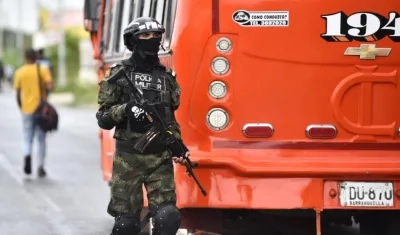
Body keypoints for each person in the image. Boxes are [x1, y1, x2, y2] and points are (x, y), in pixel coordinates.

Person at [96, 17, 189, 235]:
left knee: (168, 217)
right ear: (133, 41)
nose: (152, 40)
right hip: (128, 158)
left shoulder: (167, 78)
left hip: (159, 159)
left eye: (156, 35)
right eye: (145, 36)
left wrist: (177, 144)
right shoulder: (119, 75)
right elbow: (103, 117)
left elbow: (168, 117)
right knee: (126, 225)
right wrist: (127, 109)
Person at [13, 48, 54, 177]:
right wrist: (45, 96)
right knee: (41, 139)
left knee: (27, 137)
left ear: (25, 57)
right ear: (36, 56)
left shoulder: (20, 72)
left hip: (26, 109)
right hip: (41, 110)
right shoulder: (42, 69)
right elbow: (50, 85)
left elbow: (18, 94)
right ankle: (41, 166)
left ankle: (27, 156)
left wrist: (21, 107)